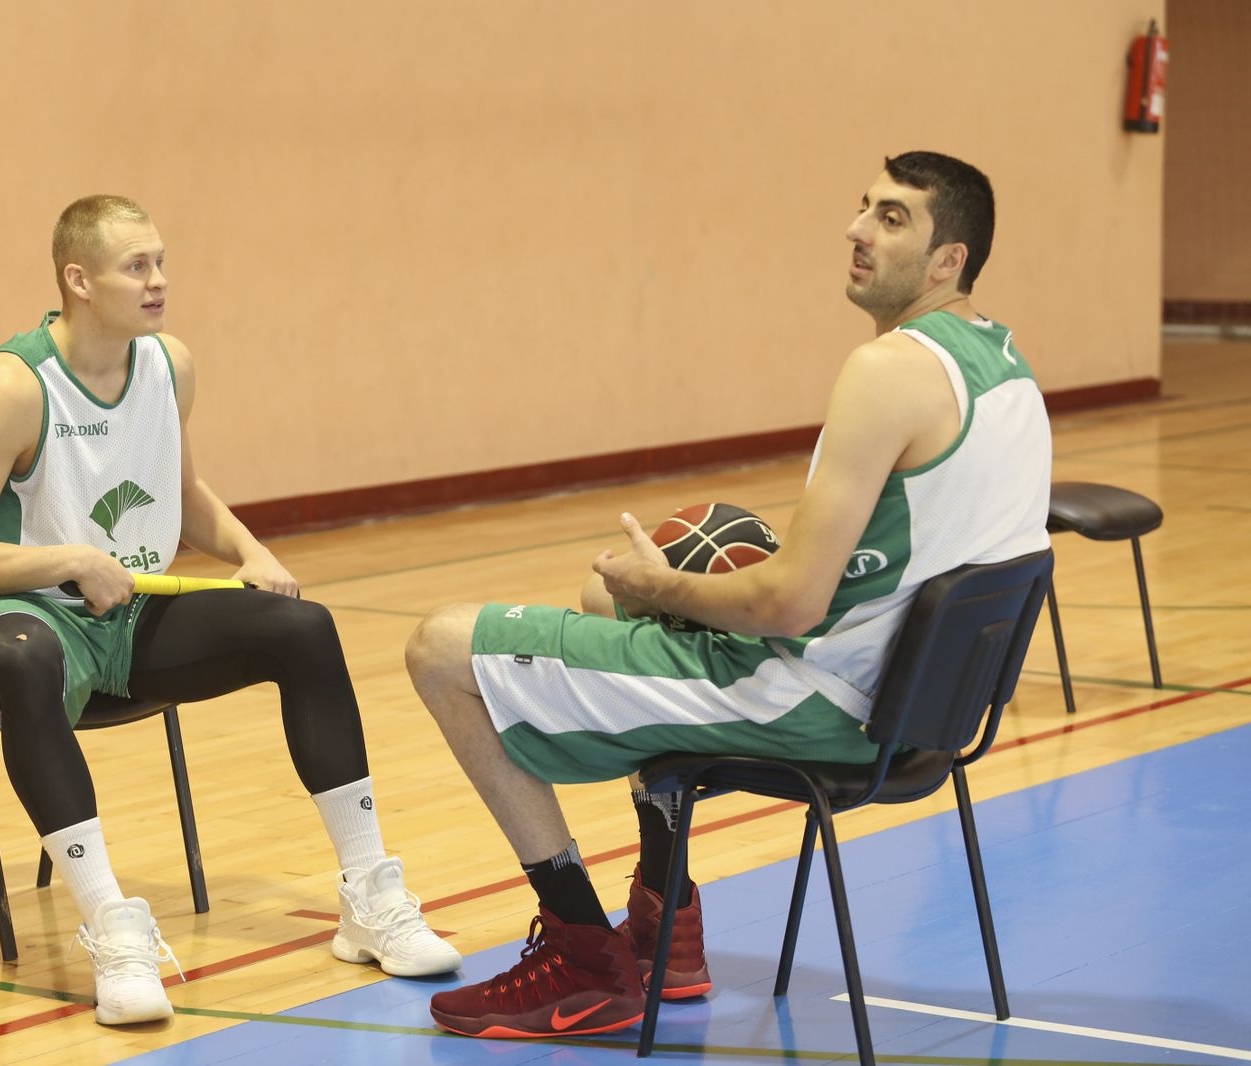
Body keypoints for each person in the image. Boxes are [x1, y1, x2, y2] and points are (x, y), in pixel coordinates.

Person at [405, 151, 1051, 1038]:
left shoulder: (888, 371)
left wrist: (659, 581)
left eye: (893, 218)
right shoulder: (1004, 363)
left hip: (816, 702)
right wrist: (660, 595)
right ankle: (667, 925)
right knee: (612, 612)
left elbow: (789, 608)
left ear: (950, 260)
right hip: (922, 707)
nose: (858, 230)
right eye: (864, 207)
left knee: (443, 647)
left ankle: (582, 959)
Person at [0, 194, 460, 1026]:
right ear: (79, 279)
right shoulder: (9, 387)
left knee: (302, 630)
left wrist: (251, 553)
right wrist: (68, 560)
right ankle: (111, 929)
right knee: (23, 655)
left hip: (128, 612)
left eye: (161, 261)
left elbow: (184, 490)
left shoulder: (169, 363)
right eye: (138, 266)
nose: (160, 280)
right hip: (13, 617)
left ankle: (368, 896)